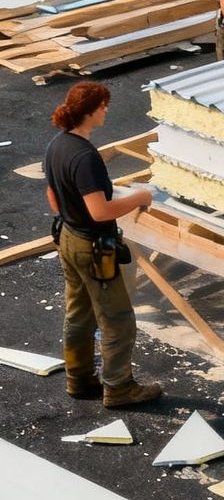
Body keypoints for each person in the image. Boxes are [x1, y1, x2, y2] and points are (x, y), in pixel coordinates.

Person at [43, 81, 163, 409]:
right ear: (92, 111)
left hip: (67, 237)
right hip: (91, 247)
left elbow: (53, 196)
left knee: (79, 313)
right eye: (103, 105)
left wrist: (72, 212)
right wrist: (140, 197)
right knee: (118, 320)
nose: (106, 110)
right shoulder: (85, 157)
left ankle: (78, 380)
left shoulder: (57, 145)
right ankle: (119, 388)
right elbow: (99, 211)